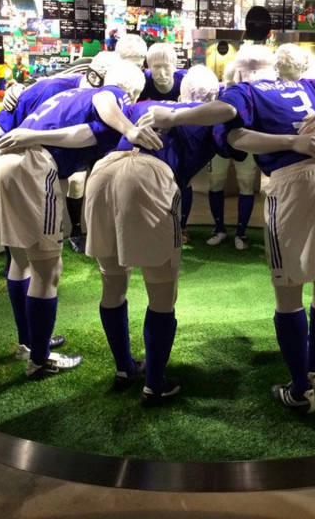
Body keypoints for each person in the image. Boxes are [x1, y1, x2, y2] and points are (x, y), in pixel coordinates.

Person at [145, 45, 315, 414]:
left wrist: (175, 117)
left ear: (239, 72)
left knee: (288, 289)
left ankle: (300, 390)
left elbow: (230, 122)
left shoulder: (245, 90)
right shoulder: (309, 85)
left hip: (295, 178)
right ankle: (312, 369)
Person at [0, 60, 148, 378]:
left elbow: (85, 133)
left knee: (20, 260)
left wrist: (35, 135)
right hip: (29, 164)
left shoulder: (70, 95)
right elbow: (106, 100)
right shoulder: (114, 95)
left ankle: (30, 342)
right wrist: (130, 128)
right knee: (48, 269)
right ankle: (40, 360)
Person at [84, 65, 223, 405]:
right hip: (149, 178)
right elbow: (230, 120)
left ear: (181, 91)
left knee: (112, 282)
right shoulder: (210, 114)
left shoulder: (140, 105)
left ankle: (124, 368)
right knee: (162, 292)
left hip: (102, 173)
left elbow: (102, 100)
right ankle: (154, 383)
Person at [138, 42, 195, 243]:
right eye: (156, 67)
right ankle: (152, 224)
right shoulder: (143, 82)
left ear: (176, 65)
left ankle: (182, 226)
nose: (162, 73)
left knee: (184, 181)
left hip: (181, 138)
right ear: (148, 67)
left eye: (167, 66)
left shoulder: (186, 82)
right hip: (151, 140)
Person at [205, 61, 259, 250]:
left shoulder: (252, 92)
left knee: (246, 184)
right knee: (215, 183)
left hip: (246, 142)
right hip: (219, 141)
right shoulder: (218, 91)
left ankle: (241, 232)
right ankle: (219, 228)